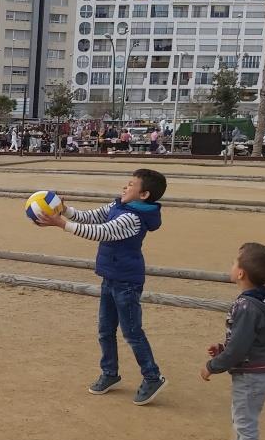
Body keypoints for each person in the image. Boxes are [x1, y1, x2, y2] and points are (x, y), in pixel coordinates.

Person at [36, 169, 168, 405]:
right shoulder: (119, 205)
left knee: (132, 332)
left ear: (144, 195)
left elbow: (100, 232)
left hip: (127, 282)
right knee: (105, 330)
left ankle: (152, 376)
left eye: (131, 185)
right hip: (110, 277)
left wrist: (61, 224)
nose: (125, 187)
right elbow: (92, 217)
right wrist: (64, 210)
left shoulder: (133, 218)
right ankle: (110, 373)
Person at [201, 243, 265, 440]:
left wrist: (212, 365)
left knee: (245, 421)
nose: (232, 265)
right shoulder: (258, 300)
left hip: (252, 373)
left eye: (234, 262)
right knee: (241, 417)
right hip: (254, 369)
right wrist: (223, 349)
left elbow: (239, 348)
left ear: (241, 273)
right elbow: (245, 340)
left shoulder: (247, 306)